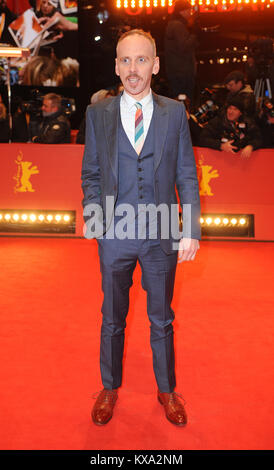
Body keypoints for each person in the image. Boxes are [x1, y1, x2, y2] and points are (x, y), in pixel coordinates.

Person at [81, 29, 201, 427]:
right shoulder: (98, 113)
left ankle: (167, 391)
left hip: (161, 232)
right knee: (112, 318)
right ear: (116, 65)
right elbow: (92, 173)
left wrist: (191, 228)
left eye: (141, 60)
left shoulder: (174, 113)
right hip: (113, 235)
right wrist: (94, 217)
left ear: (156, 64)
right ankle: (109, 387)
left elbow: (186, 173)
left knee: (161, 318)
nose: (133, 69)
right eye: (126, 61)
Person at [164, 0, 198, 102]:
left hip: (176, 70)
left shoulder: (172, 24)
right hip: (182, 72)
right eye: (189, 10)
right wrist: (194, 34)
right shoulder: (178, 26)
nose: (190, 13)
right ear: (182, 11)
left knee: (178, 100)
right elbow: (184, 46)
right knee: (184, 100)